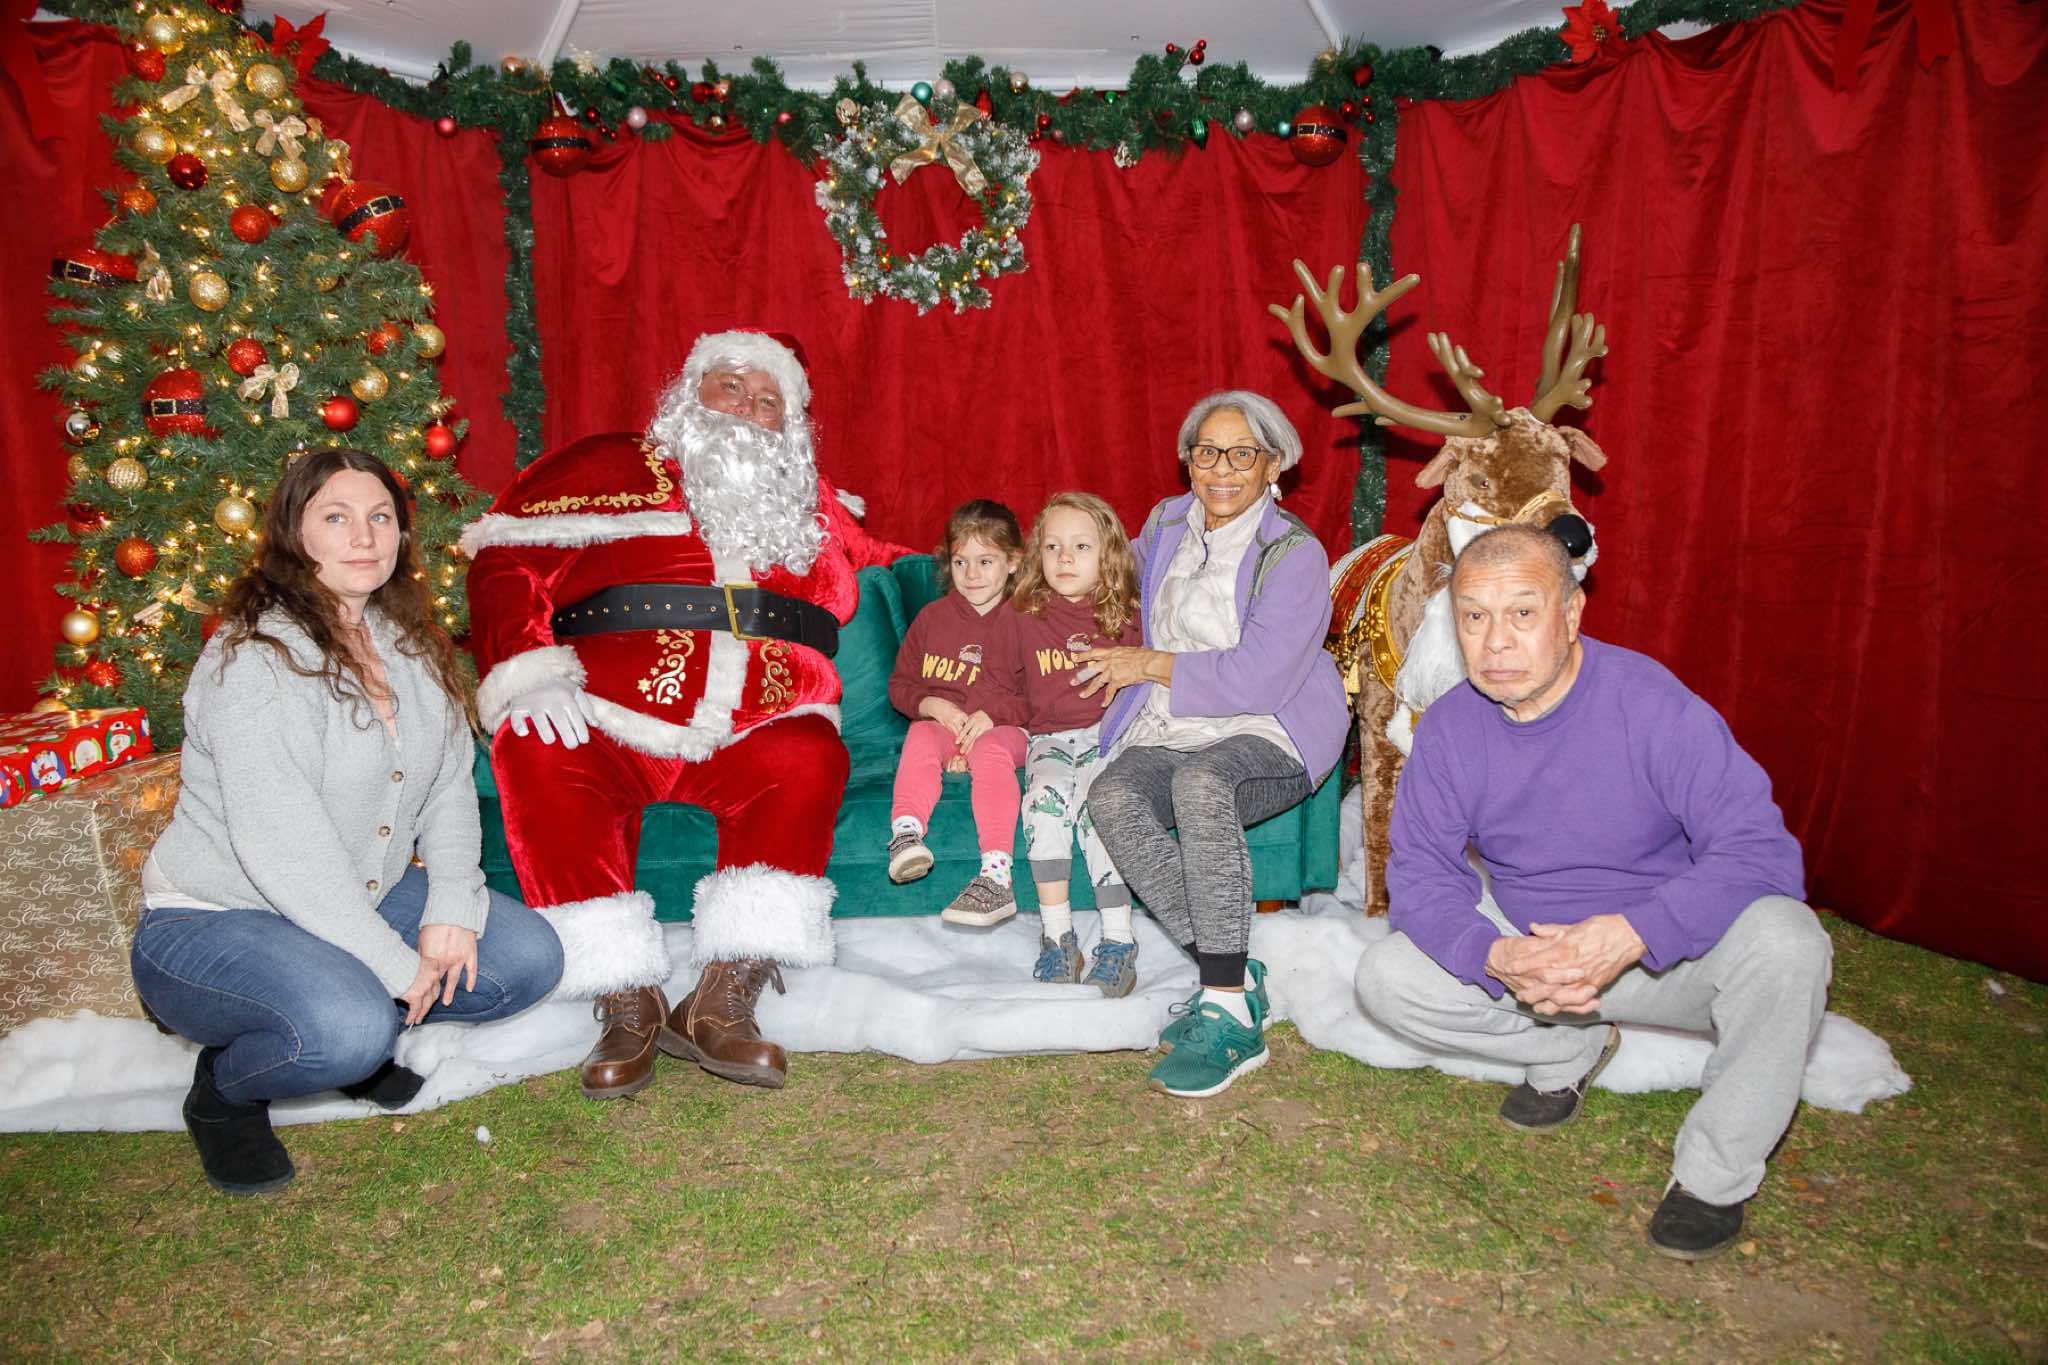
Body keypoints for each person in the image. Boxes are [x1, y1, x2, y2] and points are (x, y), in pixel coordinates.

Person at [1352, 523, 1828, 1261]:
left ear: (1571, 614)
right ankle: (1567, 1047)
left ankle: (1713, 1176)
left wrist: (1636, 929)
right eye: (1474, 616)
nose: (1496, 641)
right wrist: (1497, 954)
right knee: (1387, 977)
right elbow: (1420, 874)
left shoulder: (1651, 703)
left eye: (1523, 612)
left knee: (1790, 943)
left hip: (1665, 956)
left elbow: (1762, 853)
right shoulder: (1450, 728)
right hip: (1537, 961)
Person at [464, 330, 911, 1098]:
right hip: (606, 712)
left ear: (789, 424)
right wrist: (527, 668)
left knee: (811, 754)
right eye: (731, 385)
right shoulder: (604, 465)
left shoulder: (812, 505)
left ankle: (722, 996)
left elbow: (902, 560)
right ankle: (624, 995)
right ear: (688, 390)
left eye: (768, 400)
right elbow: (506, 558)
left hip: (760, 723)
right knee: (534, 743)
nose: (747, 407)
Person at [131, 449, 564, 1196]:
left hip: (358, 893)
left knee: (526, 959)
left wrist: (451, 906)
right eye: (336, 517)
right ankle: (227, 1089)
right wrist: (398, 966)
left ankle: (351, 1021)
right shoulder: (253, 660)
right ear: (294, 535)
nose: (364, 536)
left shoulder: (406, 642)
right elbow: (286, 854)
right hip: (216, 916)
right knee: (347, 1029)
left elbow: (448, 789)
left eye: (380, 517)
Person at [1081, 391, 1348, 1098]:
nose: (1222, 469)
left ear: (1273, 464)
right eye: (1207, 452)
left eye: (1241, 454)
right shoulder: (1166, 522)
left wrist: (1148, 663)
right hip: (1174, 720)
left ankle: (1228, 1011)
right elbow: (1112, 588)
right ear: (1188, 461)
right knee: (1111, 797)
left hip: (1273, 724)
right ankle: (1231, 970)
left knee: (1201, 783)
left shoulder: (1294, 552)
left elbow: (1260, 678)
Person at [1001, 493, 1144, 989]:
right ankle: (1058, 937)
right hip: (1051, 738)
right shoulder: (1022, 614)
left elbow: (1154, 677)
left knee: (1103, 807)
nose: (1064, 558)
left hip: (1112, 736)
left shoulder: (1128, 614)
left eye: (1081, 546)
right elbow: (1001, 685)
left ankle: (1119, 940)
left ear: (1108, 554)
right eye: (1052, 546)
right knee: (1042, 800)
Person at [886, 500, 1031, 926]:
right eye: (960, 562)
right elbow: (900, 685)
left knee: (988, 749)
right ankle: (906, 834)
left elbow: (1042, 698)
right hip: (947, 729)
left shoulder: (1029, 619)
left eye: (985, 561)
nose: (971, 574)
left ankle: (996, 875)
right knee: (921, 732)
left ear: (1012, 562)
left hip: (1007, 730)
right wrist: (929, 704)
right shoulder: (931, 619)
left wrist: (993, 715)